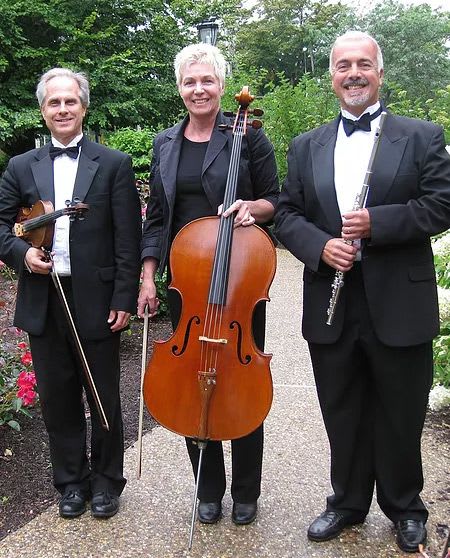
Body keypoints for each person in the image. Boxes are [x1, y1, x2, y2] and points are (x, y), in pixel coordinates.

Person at [274, 31, 450, 553]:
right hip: (332, 299)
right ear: (331, 74)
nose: (353, 73)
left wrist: (378, 222)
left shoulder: (422, 136)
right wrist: (321, 246)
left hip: (399, 299)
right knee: (342, 407)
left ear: (379, 72)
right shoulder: (306, 145)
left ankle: (405, 506)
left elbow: (441, 205)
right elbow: (286, 214)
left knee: (400, 409)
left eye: (363, 65)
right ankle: (347, 502)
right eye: (343, 65)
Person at [137, 43, 279, 526]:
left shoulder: (248, 137)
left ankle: (245, 491)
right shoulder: (165, 144)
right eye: (189, 81)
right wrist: (148, 274)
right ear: (179, 88)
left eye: (207, 80)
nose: (198, 89)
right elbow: (157, 216)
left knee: (240, 382)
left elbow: (276, 200)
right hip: (189, 285)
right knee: (189, 382)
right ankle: (207, 488)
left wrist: (252, 208)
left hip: (238, 281)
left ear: (222, 85)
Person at [0, 68, 142, 519]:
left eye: (70, 101)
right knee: (58, 398)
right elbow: (3, 227)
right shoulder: (21, 166)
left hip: (98, 300)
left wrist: (123, 297)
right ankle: (71, 484)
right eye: (53, 103)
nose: (62, 109)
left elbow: (127, 239)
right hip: (44, 298)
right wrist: (23, 254)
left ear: (84, 106)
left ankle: (106, 482)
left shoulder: (114, 163)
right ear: (43, 111)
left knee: (103, 395)